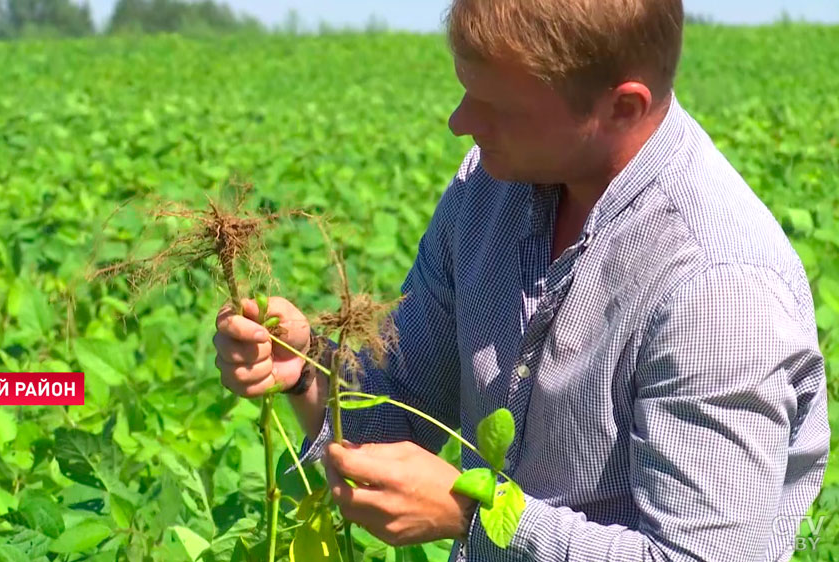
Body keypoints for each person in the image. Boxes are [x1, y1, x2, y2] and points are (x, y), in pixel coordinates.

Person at [213, 0, 830, 559]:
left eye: (499, 107)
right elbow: (398, 413)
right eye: (467, 91)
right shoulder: (488, 191)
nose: (460, 121)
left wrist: (475, 517)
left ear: (623, 107)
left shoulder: (718, 289)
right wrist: (304, 369)